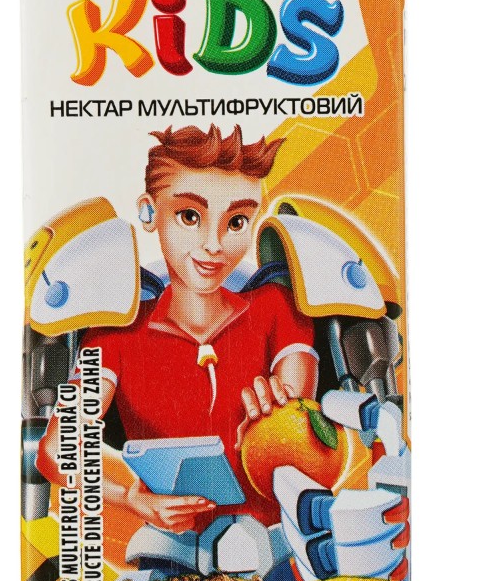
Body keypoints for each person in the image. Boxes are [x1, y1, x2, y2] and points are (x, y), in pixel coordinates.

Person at [36, 123, 319, 534]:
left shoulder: (276, 308)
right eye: (190, 216)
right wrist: (131, 498)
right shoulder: (116, 335)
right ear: (150, 212)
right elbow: (56, 450)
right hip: (168, 548)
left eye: (236, 221)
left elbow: (301, 409)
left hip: (272, 543)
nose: (214, 244)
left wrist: (278, 420)